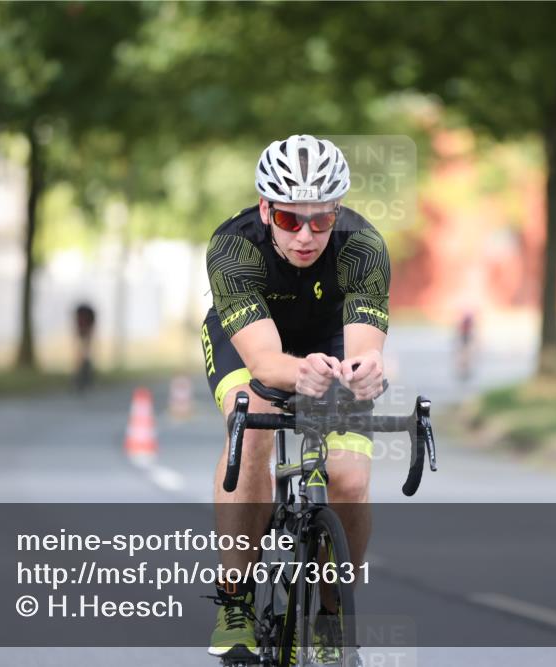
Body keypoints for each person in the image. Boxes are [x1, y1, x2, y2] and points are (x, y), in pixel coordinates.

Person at [201, 135, 390, 662]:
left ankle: (331, 616)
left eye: (321, 220)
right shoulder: (234, 246)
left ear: (337, 211)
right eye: (289, 220)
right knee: (251, 421)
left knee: (349, 477)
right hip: (252, 341)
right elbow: (265, 363)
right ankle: (235, 600)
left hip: (330, 336)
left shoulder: (363, 246)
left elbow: (364, 350)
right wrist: (299, 372)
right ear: (266, 210)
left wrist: (365, 373)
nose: (306, 236)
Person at [73, 302, 96, 391]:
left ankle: (85, 373)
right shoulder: (80, 317)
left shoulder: (88, 316)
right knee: (81, 352)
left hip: (87, 326)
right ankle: (81, 375)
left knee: (85, 351)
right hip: (85, 327)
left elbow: (89, 329)